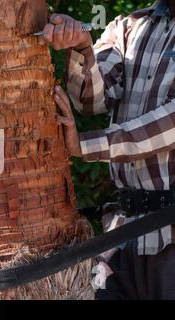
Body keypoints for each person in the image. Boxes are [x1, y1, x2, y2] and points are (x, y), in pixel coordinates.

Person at [43, 0, 175, 299]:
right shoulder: (128, 27)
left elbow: (169, 125)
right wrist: (80, 47)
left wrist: (83, 145)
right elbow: (91, 101)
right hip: (124, 236)